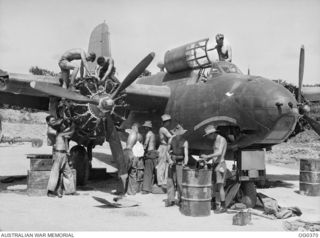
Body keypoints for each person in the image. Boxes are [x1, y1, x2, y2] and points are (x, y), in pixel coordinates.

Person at [47, 118, 78, 198]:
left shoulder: (61, 134)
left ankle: (70, 191)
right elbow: (70, 132)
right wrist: (73, 124)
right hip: (59, 154)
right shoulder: (60, 134)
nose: (64, 126)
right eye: (62, 125)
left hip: (63, 155)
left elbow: (70, 133)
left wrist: (71, 125)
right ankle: (50, 191)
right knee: (55, 172)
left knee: (68, 172)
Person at [200, 125, 227, 213]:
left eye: (208, 135)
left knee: (220, 186)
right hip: (215, 164)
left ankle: (223, 206)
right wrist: (208, 159)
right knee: (213, 185)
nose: (208, 137)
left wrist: (207, 156)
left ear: (212, 133)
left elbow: (219, 153)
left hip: (220, 164)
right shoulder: (216, 140)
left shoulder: (221, 139)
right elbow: (215, 153)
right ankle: (213, 204)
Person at [165, 124, 189, 207]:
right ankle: (171, 199)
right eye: (177, 132)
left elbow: (186, 155)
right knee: (170, 181)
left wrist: (185, 163)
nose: (178, 133)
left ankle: (181, 199)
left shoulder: (185, 142)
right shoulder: (171, 140)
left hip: (180, 163)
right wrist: (169, 160)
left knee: (180, 182)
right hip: (172, 161)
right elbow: (167, 152)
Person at [141, 121, 158, 194]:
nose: (144, 128)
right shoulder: (153, 134)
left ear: (148, 127)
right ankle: (151, 187)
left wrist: (141, 151)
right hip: (154, 153)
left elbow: (145, 144)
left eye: (145, 127)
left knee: (148, 171)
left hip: (150, 153)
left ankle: (146, 189)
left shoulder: (148, 134)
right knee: (153, 171)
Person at [156, 114, 173, 187]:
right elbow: (170, 137)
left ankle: (163, 181)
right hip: (163, 148)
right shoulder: (163, 129)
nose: (169, 123)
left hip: (165, 147)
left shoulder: (164, 129)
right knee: (161, 165)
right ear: (166, 122)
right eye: (169, 121)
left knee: (165, 165)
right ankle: (160, 182)